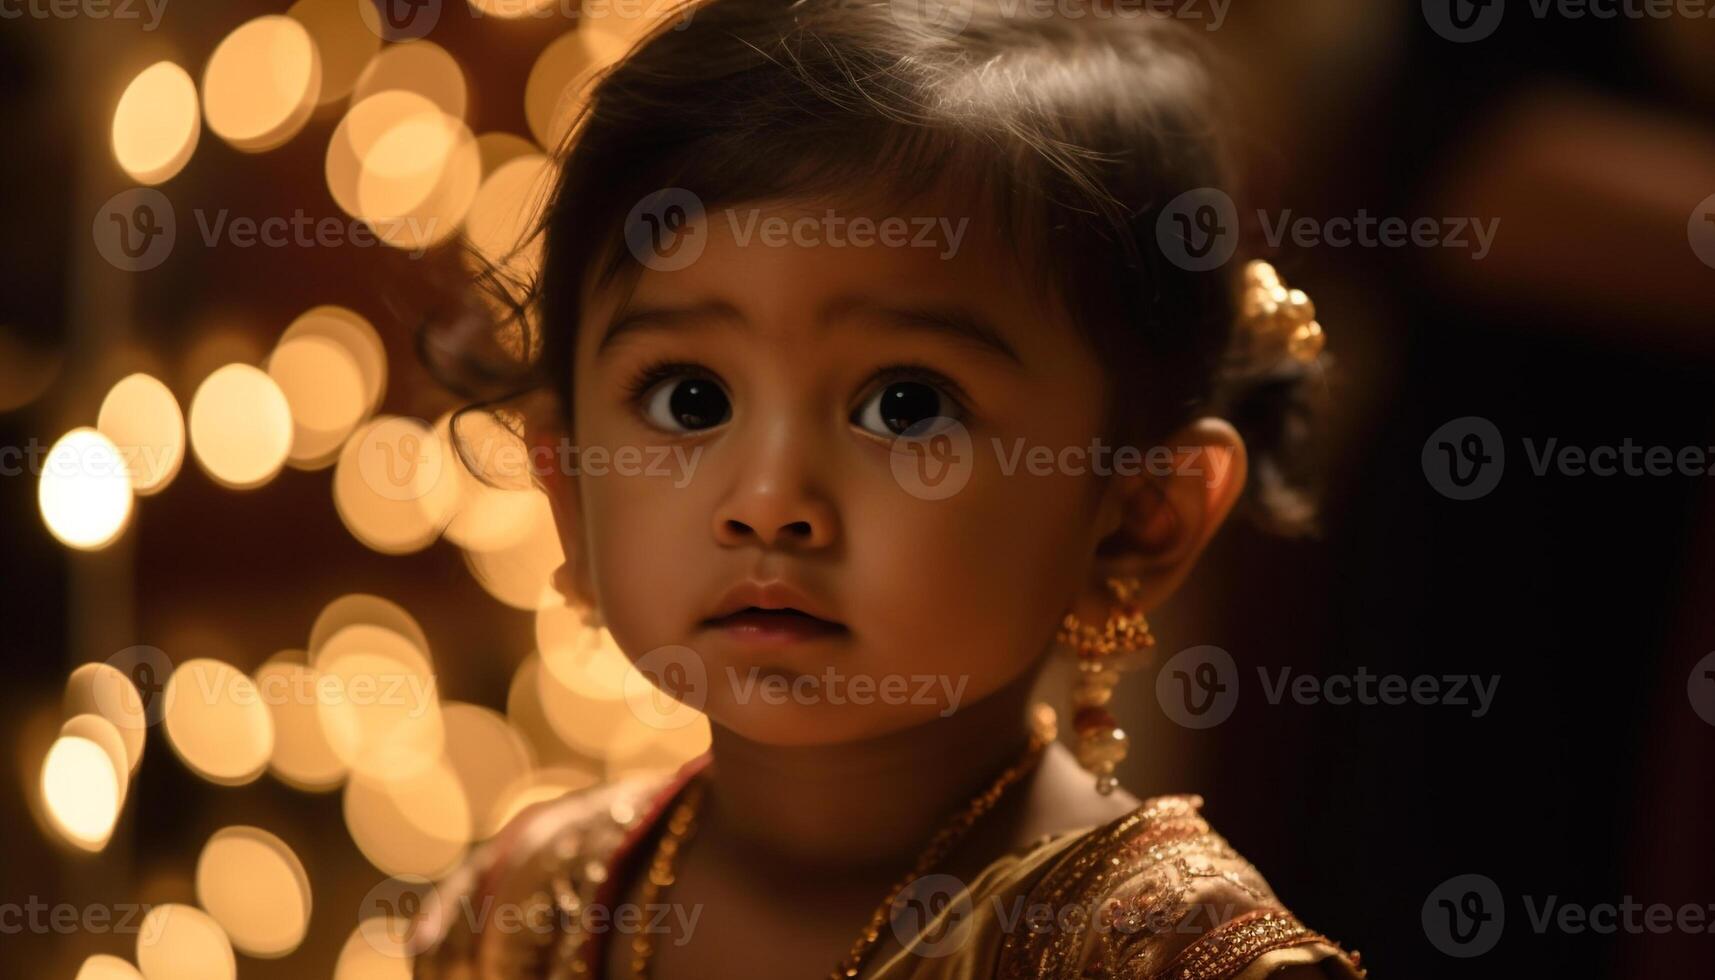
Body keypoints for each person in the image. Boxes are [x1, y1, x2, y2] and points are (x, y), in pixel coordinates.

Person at [409, 0, 1363, 976]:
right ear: (568, 485)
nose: (769, 498)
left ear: (1137, 520)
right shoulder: (516, 904)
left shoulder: (1171, 956)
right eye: (689, 398)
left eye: (905, 407)